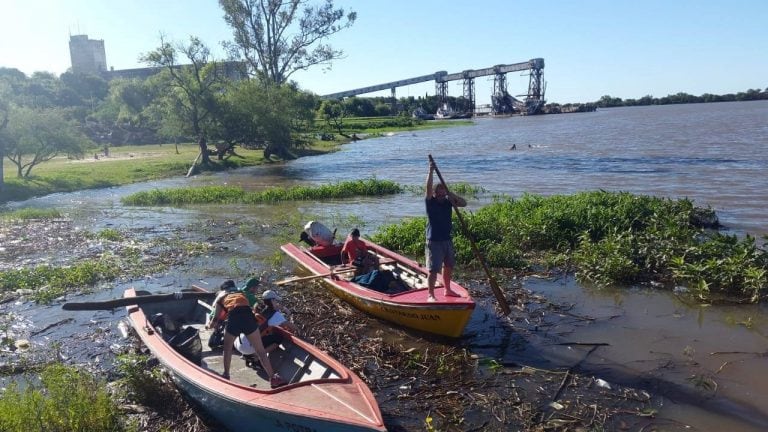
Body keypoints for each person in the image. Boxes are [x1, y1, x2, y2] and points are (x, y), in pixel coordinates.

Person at [207, 286, 286, 387]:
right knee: (261, 351)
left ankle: (226, 375)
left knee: (227, 349)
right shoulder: (241, 294)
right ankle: (273, 378)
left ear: (222, 291)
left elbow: (215, 319)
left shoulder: (220, 298)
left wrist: (209, 326)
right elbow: (252, 307)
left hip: (234, 318)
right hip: (248, 317)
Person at [425, 158, 467, 301]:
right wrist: (430, 171)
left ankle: (447, 290)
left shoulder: (448, 202)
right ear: (436, 194)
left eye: (444, 192)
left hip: (447, 239)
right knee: (433, 269)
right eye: (440, 193)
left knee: (448, 266)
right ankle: (430, 294)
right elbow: (428, 189)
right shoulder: (431, 203)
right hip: (435, 240)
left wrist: (451, 195)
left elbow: (464, 203)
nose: (442, 195)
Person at [235, 289, 297, 366]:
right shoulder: (275, 315)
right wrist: (287, 315)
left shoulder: (257, 307)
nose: (277, 303)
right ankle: (257, 356)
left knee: (263, 334)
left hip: (238, 342)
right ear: (272, 301)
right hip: (248, 347)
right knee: (278, 338)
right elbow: (293, 328)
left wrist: (280, 309)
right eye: (276, 301)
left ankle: (248, 355)